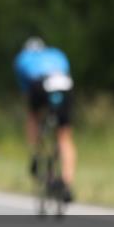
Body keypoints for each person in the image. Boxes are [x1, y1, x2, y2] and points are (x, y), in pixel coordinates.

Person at [14, 36, 77, 202]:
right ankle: (66, 183)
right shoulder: (56, 53)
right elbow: (66, 71)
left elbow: (26, 91)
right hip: (64, 85)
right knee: (64, 136)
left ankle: (35, 152)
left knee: (33, 116)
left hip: (40, 85)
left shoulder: (23, 58)